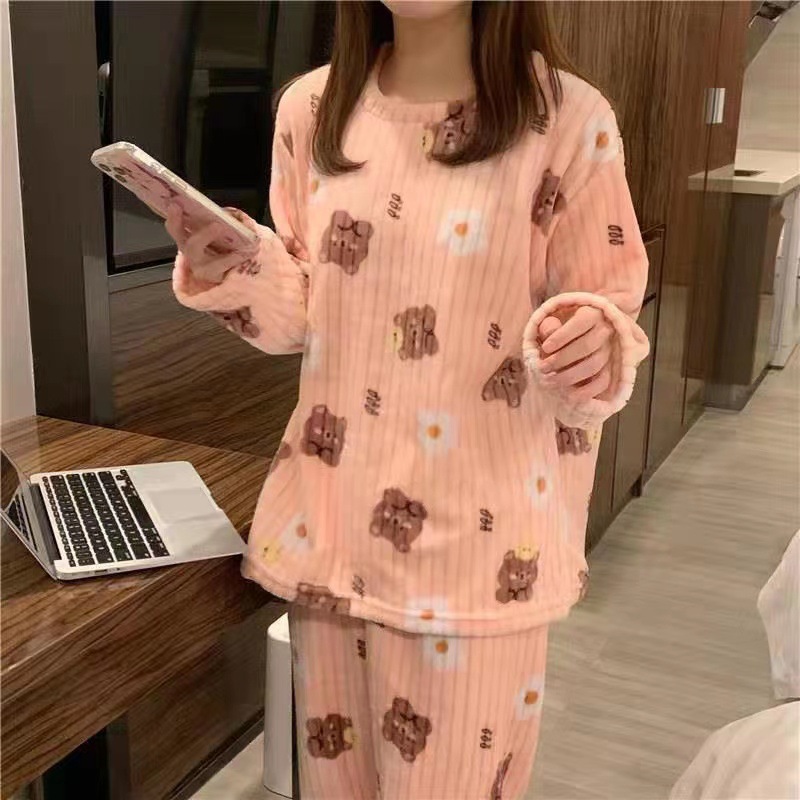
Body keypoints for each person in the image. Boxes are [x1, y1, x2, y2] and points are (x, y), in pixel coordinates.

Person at [165, 2, 648, 797]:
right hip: (335, 531)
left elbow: (607, 306)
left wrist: (593, 343)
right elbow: (307, 314)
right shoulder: (312, 110)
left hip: (480, 558)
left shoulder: (567, 121)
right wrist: (232, 265)